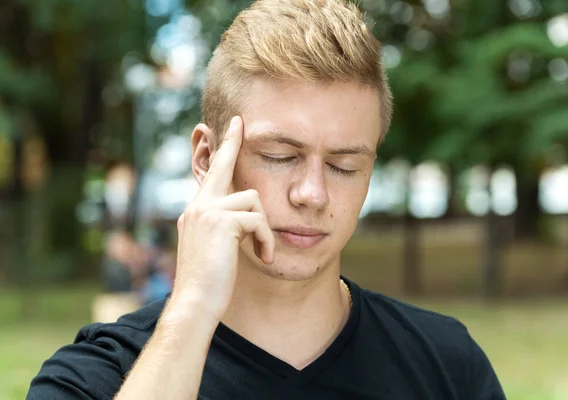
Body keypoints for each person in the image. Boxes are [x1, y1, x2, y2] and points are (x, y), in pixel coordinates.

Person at [27, 1, 506, 399]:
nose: (312, 194)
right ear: (206, 158)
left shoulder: (448, 368)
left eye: (344, 166)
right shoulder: (94, 378)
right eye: (280, 156)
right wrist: (193, 306)